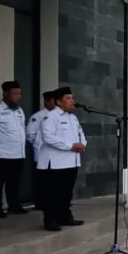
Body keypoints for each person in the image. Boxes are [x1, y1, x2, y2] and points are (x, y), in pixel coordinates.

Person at [38, 87, 86, 232]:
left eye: (72, 98)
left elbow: (81, 134)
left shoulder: (73, 117)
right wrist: (70, 146)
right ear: (59, 101)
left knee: (67, 192)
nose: (72, 101)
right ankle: (50, 220)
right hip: (56, 162)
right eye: (68, 98)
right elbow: (48, 137)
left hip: (72, 161)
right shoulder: (50, 117)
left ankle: (65, 216)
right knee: (53, 193)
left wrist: (82, 144)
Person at [0, 81, 27, 219]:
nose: (18, 96)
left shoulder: (19, 111)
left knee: (14, 182)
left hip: (18, 153)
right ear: (5, 94)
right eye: (15, 93)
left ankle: (14, 205)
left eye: (19, 93)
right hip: (0, 154)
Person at [27, 90, 57, 211]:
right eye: (54, 101)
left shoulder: (58, 116)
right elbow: (30, 134)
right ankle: (40, 203)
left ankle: (53, 202)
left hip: (56, 155)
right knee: (42, 181)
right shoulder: (38, 116)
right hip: (41, 154)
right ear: (47, 102)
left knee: (53, 181)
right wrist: (38, 145)